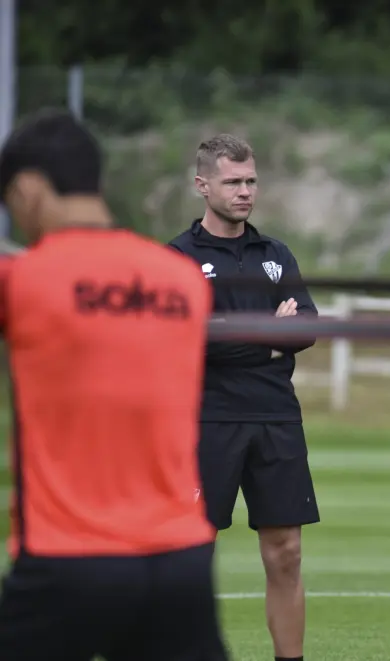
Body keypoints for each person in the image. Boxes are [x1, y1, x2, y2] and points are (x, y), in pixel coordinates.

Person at [0, 110, 227, 660]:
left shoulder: (24, 281)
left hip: (65, 560)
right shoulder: (181, 282)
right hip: (180, 561)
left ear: (29, 188)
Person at [168, 134, 319, 661]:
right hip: (208, 419)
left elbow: (305, 329)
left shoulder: (275, 254)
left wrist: (231, 334)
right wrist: (264, 335)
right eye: (233, 182)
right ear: (202, 185)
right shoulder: (177, 260)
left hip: (277, 417)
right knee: (192, 553)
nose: (245, 191)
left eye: (251, 180)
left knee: (286, 552)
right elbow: (185, 342)